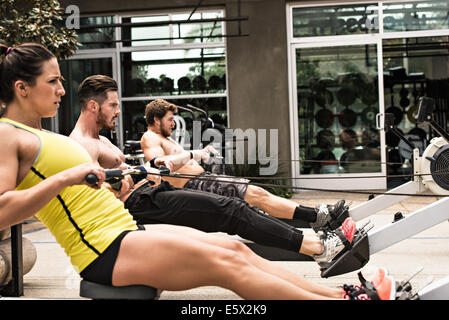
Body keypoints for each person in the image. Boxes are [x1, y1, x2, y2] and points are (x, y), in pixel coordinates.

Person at [0, 42, 395, 300]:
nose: (62, 90)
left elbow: (82, 191)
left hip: (121, 228)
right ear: (21, 87)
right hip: (102, 249)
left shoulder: (40, 133)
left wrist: (124, 178)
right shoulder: (7, 134)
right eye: (52, 82)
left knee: (233, 247)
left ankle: (339, 294)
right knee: (226, 268)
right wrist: (65, 178)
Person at [70, 75, 353, 265]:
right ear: (93, 105)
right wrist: (138, 173)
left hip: (154, 191)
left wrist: (142, 168)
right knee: (235, 210)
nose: (118, 111)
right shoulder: (81, 145)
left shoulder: (102, 139)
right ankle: (319, 246)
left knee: (243, 207)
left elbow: (131, 167)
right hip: (140, 202)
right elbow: (97, 189)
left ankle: (316, 238)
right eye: (113, 105)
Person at [141, 98, 348, 230]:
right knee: (257, 195)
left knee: (257, 196)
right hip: (195, 185)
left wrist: (200, 154)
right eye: (169, 119)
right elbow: (160, 164)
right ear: (156, 120)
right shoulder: (150, 138)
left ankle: (316, 214)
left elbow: (179, 159)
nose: (173, 123)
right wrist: (193, 153)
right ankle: (318, 216)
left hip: (204, 180)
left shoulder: (167, 138)